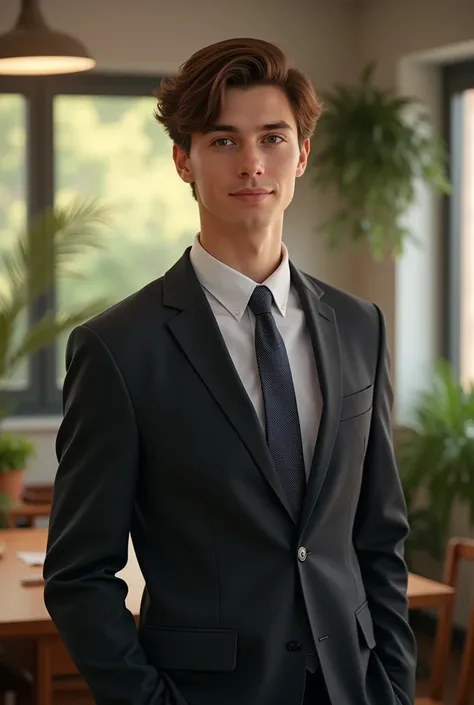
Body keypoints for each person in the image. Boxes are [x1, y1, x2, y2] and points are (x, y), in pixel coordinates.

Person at [43, 37, 417, 705]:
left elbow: (379, 537)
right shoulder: (118, 349)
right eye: (223, 141)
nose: (251, 162)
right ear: (183, 160)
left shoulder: (362, 326)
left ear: (301, 154)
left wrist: (391, 682)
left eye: (272, 138)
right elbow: (79, 573)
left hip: (352, 686)